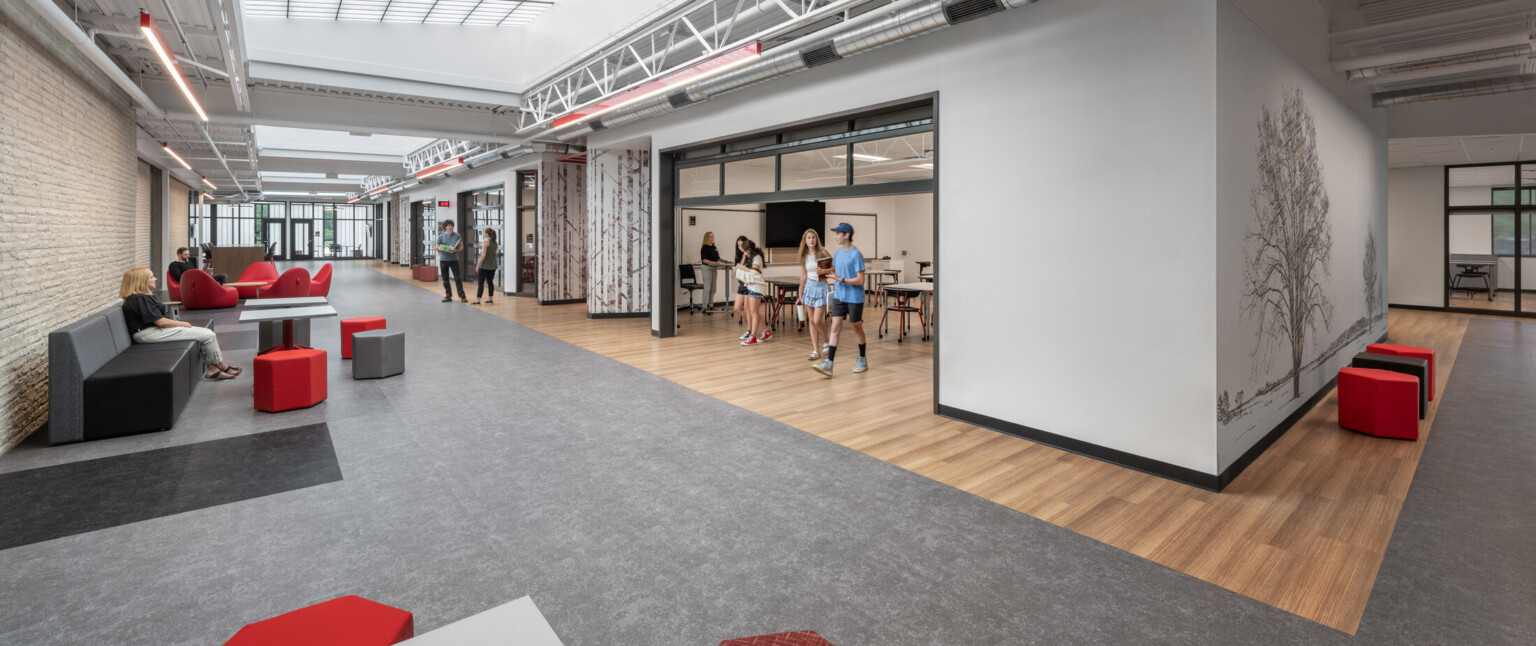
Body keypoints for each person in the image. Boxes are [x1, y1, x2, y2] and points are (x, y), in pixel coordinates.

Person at [119, 268, 240, 381]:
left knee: (206, 333)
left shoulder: (139, 297)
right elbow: (160, 321)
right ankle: (222, 365)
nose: (155, 278)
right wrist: (180, 324)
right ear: (141, 281)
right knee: (208, 335)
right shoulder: (139, 298)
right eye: (151, 277)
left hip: (152, 331)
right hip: (148, 333)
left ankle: (213, 369)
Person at [814, 222, 868, 376]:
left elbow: (861, 280)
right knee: (835, 326)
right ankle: (829, 363)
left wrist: (841, 280)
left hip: (854, 298)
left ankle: (862, 358)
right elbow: (835, 268)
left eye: (838, 233)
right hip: (839, 296)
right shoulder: (837, 253)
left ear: (847, 235)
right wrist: (824, 271)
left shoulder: (856, 254)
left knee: (856, 327)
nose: (835, 236)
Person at [798, 228, 833, 361]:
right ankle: (815, 350)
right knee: (811, 322)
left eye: (813, 237)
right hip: (809, 288)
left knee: (818, 320)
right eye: (809, 238)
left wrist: (824, 270)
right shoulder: (803, 255)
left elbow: (834, 267)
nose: (811, 240)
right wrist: (800, 294)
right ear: (805, 241)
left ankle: (827, 342)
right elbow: (803, 275)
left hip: (821, 287)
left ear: (816, 239)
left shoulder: (822, 251)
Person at [736, 238, 772, 346]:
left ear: (749, 249)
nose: (745, 253)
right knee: (754, 312)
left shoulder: (757, 258)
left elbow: (753, 275)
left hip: (757, 287)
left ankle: (753, 337)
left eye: (746, 251)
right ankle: (766, 332)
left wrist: (738, 272)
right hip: (753, 286)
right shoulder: (752, 257)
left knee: (754, 312)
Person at [437, 219, 466, 303]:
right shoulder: (441, 236)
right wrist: (440, 248)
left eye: (451, 225)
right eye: (449, 225)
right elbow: (436, 246)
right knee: (445, 279)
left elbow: (461, 247)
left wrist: (455, 250)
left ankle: (462, 295)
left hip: (454, 260)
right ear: (445, 227)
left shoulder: (457, 235)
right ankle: (448, 295)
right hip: (443, 260)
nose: (450, 226)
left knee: (457, 278)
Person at [699, 231, 730, 313]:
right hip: (707, 269)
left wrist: (726, 261)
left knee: (713, 289)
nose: (712, 238)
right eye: (710, 237)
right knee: (707, 288)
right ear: (706, 238)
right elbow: (704, 260)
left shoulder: (714, 247)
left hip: (714, 269)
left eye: (713, 236)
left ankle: (711, 305)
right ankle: (704, 307)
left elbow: (718, 258)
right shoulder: (704, 248)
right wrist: (715, 263)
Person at [473, 228, 499, 305]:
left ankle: (478, 300)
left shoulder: (485, 241)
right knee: (490, 282)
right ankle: (490, 299)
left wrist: (478, 265)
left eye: (484, 232)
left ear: (487, 234)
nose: (483, 233)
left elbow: (483, 255)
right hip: (493, 266)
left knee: (480, 284)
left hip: (484, 266)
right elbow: (495, 254)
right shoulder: (495, 243)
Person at [733, 236, 751, 338]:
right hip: (741, 284)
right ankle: (751, 325)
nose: (740, 247)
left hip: (748, 284)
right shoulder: (740, 256)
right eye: (738, 245)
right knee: (737, 308)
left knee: (747, 309)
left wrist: (739, 269)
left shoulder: (750, 255)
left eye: (742, 244)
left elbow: (751, 270)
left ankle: (750, 330)